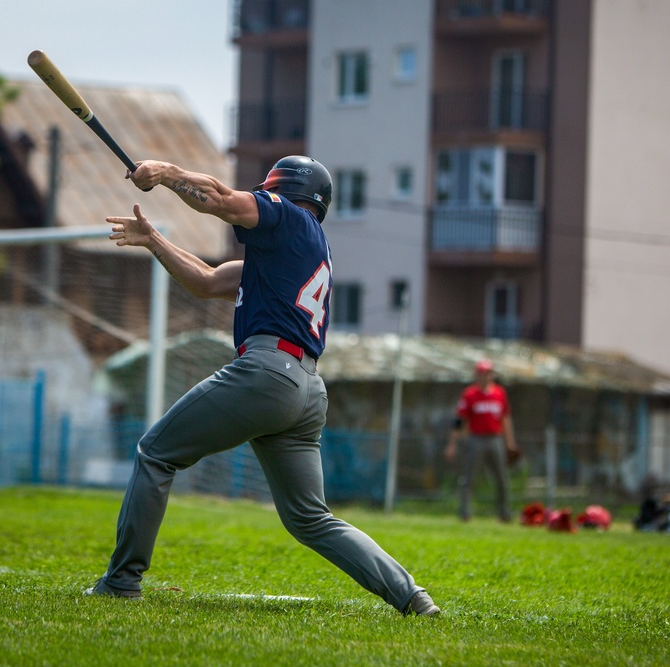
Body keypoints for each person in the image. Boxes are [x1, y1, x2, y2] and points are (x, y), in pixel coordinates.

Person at [83, 155, 439, 617]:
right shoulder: (301, 247)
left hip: (268, 374)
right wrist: (153, 241)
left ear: (281, 191)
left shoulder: (286, 218)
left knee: (155, 453)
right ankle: (412, 596)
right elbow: (208, 282)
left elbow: (221, 200)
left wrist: (166, 173)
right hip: (306, 389)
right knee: (311, 518)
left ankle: (121, 581)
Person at [444, 359, 520, 522]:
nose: (485, 377)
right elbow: (459, 420)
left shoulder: (499, 393)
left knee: (502, 478)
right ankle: (464, 513)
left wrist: (510, 442)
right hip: (476, 439)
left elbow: (506, 418)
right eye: (482, 374)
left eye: (488, 373)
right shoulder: (470, 394)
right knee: (469, 478)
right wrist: (452, 444)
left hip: (495, 439)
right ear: (477, 376)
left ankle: (504, 514)